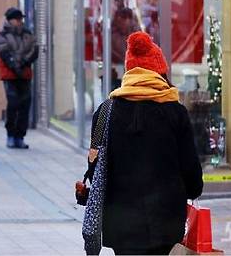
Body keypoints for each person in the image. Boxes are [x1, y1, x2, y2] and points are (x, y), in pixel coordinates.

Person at [85, 31, 203, 255]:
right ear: (160, 71)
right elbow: (192, 175)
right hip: (166, 223)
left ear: (129, 72)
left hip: (120, 225)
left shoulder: (105, 112)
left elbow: (95, 171)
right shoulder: (175, 112)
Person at [0, 7, 38, 149]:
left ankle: (20, 136)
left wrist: (24, 62)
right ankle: (11, 135)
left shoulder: (27, 34)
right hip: (10, 75)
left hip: (25, 74)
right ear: (10, 20)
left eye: (21, 19)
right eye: (17, 19)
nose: (20, 21)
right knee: (13, 104)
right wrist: (15, 66)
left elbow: (34, 49)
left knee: (25, 105)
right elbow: (4, 53)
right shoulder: (3, 35)